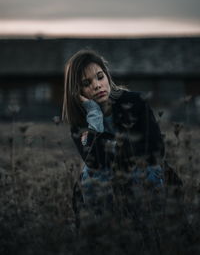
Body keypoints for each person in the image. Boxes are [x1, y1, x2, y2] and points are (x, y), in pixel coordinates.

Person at [62, 49, 166, 222]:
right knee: (90, 177)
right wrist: (94, 115)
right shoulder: (79, 122)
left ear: (107, 76)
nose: (96, 85)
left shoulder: (134, 102)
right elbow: (94, 161)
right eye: (87, 83)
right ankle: (104, 232)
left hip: (141, 172)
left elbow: (156, 149)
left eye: (100, 76)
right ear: (76, 92)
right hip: (104, 178)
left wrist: (112, 151)